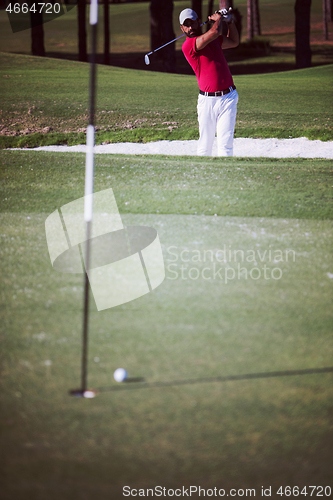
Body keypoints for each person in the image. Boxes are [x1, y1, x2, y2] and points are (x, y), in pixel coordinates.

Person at [179, 8, 239, 156]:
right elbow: (215, 31)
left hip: (228, 98)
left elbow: (234, 42)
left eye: (192, 23)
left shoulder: (213, 40)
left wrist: (229, 21)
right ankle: (202, 178)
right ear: (182, 28)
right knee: (205, 146)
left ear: (199, 22)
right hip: (207, 101)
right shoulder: (189, 45)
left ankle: (225, 178)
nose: (190, 27)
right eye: (186, 25)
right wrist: (219, 18)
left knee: (225, 145)